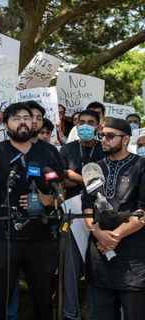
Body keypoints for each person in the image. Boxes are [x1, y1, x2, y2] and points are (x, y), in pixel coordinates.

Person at [0, 102, 64, 320]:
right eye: (16, 117)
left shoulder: (49, 152)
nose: (23, 121)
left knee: (43, 304)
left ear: (34, 122)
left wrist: (47, 200)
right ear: (6, 124)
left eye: (27, 117)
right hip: (5, 238)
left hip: (42, 239)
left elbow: (61, 194)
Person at [83, 117, 145, 320]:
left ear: (125, 139)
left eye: (110, 136)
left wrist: (114, 237)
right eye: (101, 135)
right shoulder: (94, 168)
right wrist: (98, 233)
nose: (104, 140)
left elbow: (142, 211)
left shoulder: (141, 166)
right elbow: (86, 207)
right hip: (99, 257)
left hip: (133, 260)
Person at [59, 110, 106, 320]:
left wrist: (75, 176)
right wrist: (90, 180)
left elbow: (103, 184)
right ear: (76, 125)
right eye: (81, 122)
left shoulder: (104, 149)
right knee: (70, 267)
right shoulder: (67, 149)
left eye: (90, 122)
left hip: (100, 214)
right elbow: (62, 181)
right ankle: (71, 314)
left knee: (98, 266)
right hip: (71, 213)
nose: (85, 126)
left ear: (98, 125)